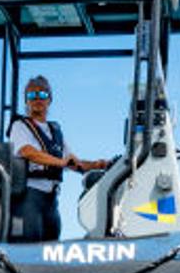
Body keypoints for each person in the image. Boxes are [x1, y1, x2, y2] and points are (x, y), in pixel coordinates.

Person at [7, 76, 109, 242]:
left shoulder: (55, 131)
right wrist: (62, 162)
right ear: (26, 101)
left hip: (51, 201)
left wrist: (100, 164)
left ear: (50, 99)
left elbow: (75, 164)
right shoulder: (20, 126)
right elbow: (27, 151)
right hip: (29, 197)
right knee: (28, 248)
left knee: (52, 246)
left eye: (42, 94)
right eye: (32, 96)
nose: (37, 99)